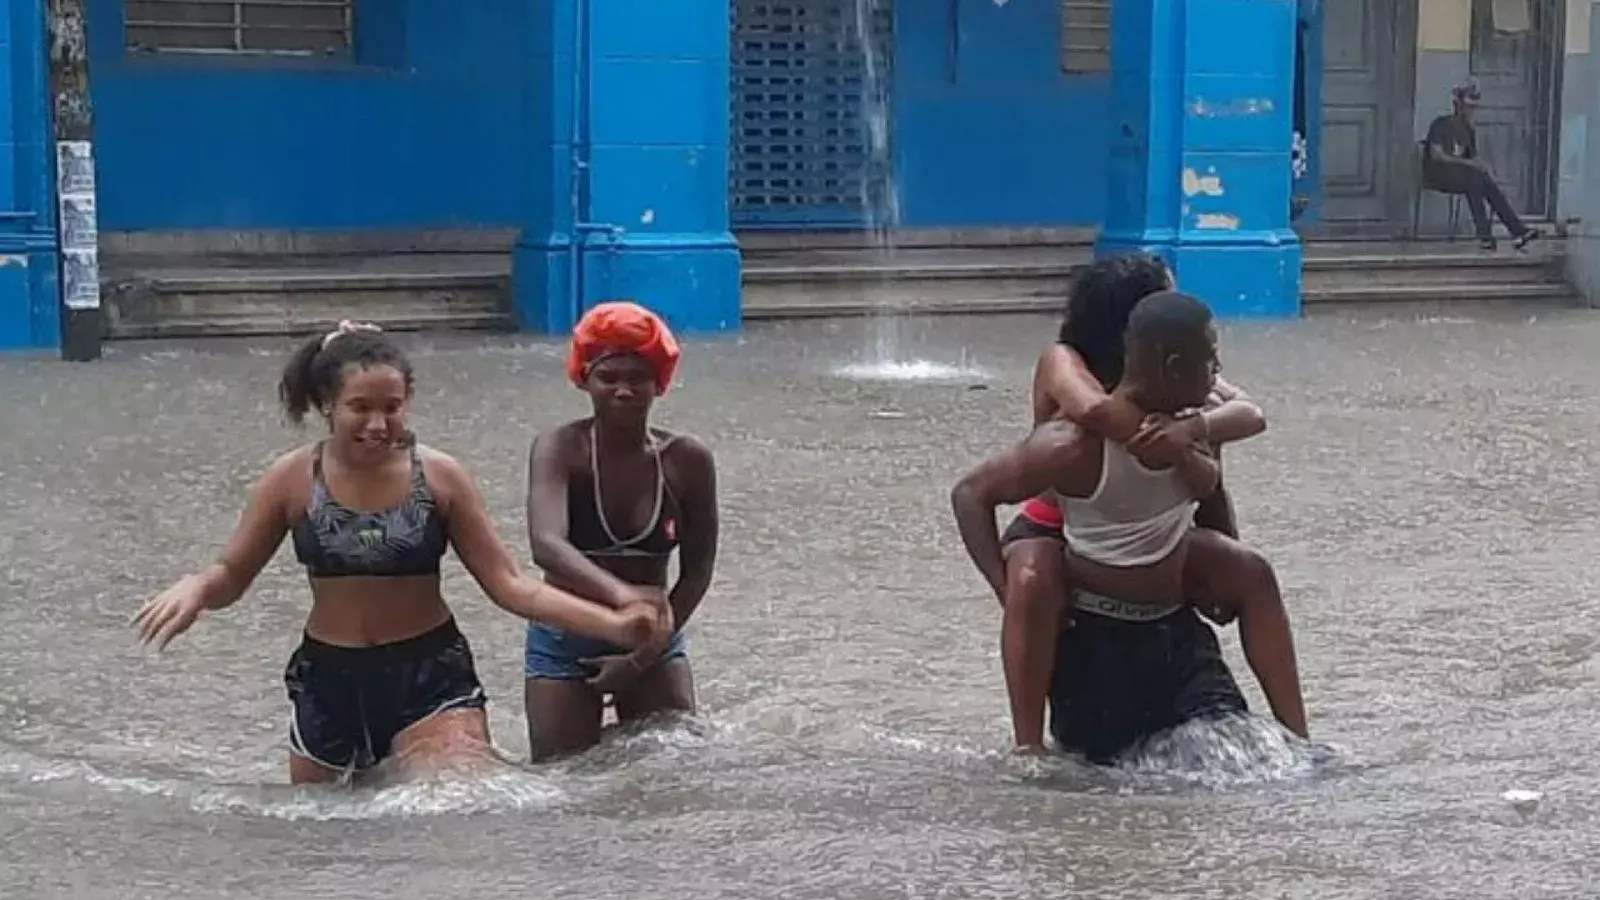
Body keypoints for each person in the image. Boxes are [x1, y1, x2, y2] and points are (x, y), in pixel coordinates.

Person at [133, 320, 663, 785]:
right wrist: (198, 587)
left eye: (392, 408)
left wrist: (612, 624)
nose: (377, 425)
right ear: (326, 405)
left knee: (452, 807)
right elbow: (232, 574)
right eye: (359, 409)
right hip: (329, 681)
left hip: (430, 677)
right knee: (325, 835)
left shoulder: (440, 477)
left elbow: (511, 585)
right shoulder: (291, 480)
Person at [953, 291, 1304, 763]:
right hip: (1096, 625)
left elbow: (1218, 469)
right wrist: (1002, 588)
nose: (1218, 371)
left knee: (1253, 571)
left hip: (1170, 619)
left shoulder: (1193, 417)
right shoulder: (1073, 443)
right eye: (1211, 360)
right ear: (1173, 364)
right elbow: (970, 494)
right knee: (1033, 575)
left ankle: (1300, 740)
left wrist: (1187, 438)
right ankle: (1028, 748)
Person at [524, 301, 719, 760]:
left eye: (638, 379)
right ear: (585, 380)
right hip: (565, 633)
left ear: (660, 384)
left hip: (651, 637)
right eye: (608, 378)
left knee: (672, 773)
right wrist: (622, 599)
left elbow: (696, 573)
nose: (624, 391)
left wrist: (641, 656)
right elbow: (546, 544)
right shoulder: (560, 447)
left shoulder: (687, 459)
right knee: (561, 780)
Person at [1423, 82, 1542, 252]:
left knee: (1482, 181)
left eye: (1473, 108)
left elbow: (1472, 157)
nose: (1471, 112)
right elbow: (1437, 156)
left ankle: (1515, 232)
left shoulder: (1467, 130)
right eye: (1468, 107)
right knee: (1474, 180)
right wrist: (1468, 164)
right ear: (1458, 106)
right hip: (1439, 174)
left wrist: (1480, 164)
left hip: (1463, 176)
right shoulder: (1441, 124)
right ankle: (1493, 234)